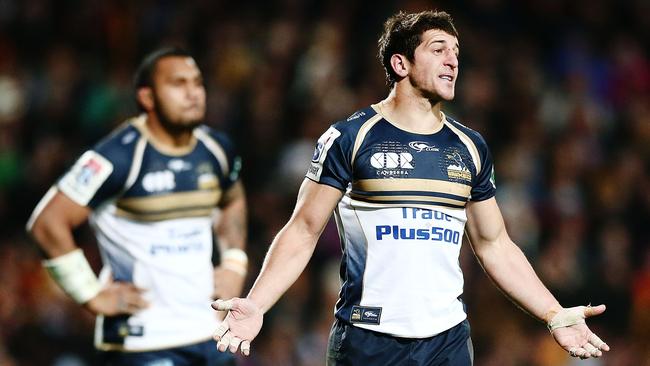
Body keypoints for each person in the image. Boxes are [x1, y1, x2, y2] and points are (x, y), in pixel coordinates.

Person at [211, 10, 612, 365]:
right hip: (368, 339)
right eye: (439, 49)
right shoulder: (351, 137)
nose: (453, 60)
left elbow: (494, 244)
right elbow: (303, 229)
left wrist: (553, 313)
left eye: (456, 51)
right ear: (400, 63)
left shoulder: (470, 147)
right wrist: (258, 303)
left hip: (448, 341)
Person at [27, 47, 248, 366]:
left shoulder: (217, 149)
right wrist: (90, 294)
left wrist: (234, 262)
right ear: (147, 97)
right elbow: (47, 223)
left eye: (197, 83)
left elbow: (233, 200)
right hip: (142, 342)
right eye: (177, 84)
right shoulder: (117, 156)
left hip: (210, 331)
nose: (192, 93)